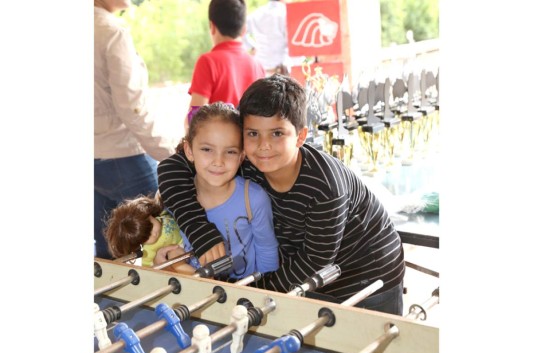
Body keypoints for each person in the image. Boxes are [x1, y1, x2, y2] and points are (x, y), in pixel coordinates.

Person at [158, 75, 405, 315]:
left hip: (369, 278)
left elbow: (312, 261)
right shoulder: (241, 158)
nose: (263, 145)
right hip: (300, 279)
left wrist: (245, 295)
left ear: (300, 136)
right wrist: (198, 229)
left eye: (277, 133)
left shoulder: (325, 187)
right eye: (253, 133)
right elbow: (170, 169)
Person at [94, 0, 177, 259]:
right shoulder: (110, 31)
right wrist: (174, 153)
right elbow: (133, 109)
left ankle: (109, 300)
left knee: (110, 251)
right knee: (163, 239)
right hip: (125, 157)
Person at [161, 102, 279, 279]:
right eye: (207, 149)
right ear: (189, 150)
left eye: (230, 152)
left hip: (244, 297)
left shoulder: (253, 198)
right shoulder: (176, 199)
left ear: (241, 156)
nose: (218, 161)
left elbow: (267, 251)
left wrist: (264, 294)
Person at [184, 0, 265, 131]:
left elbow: (195, 117)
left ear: (212, 26)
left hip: (217, 147)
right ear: (244, 29)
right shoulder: (257, 65)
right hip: (247, 146)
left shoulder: (207, 62)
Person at [103, 195, 195, 274]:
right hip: (178, 248)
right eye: (146, 237)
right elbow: (148, 269)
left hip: (189, 236)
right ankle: (203, 277)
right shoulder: (148, 251)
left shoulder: (161, 215)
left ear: (149, 214)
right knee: (177, 263)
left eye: (151, 225)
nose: (153, 233)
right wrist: (156, 264)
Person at [243, 0, 291, 76]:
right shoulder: (287, 14)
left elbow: (242, 31)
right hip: (284, 70)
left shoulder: (257, 14)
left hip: (260, 69)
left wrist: (252, 47)